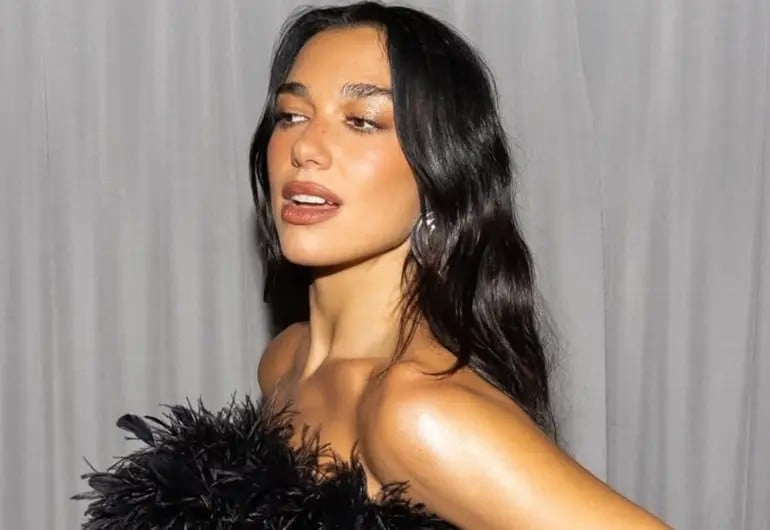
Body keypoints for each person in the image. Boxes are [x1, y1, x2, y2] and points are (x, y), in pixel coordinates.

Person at [74, 2, 670, 528]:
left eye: (362, 121)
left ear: (439, 176)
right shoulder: (285, 362)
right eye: (291, 115)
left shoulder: (417, 413)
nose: (305, 147)